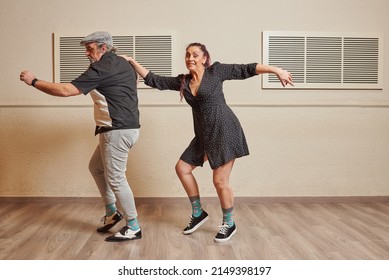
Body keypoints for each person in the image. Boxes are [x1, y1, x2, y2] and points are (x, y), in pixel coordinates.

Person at [123, 42, 293, 242]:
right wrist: (133, 62)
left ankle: (229, 222)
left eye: (195, 54)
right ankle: (198, 213)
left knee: (219, 181)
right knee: (182, 168)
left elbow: (246, 69)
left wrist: (276, 70)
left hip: (224, 131)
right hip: (204, 135)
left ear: (204, 58)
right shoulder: (183, 81)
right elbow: (155, 80)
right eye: (187, 55)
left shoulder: (216, 72)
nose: (190, 58)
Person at [19, 31, 142, 242]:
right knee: (96, 167)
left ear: (104, 48)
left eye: (90, 48)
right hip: (128, 129)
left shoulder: (102, 67)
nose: (86, 53)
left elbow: (66, 90)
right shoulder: (123, 64)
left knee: (116, 178)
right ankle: (112, 213)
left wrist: (34, 81)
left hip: (116, 131)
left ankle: (133, 226)